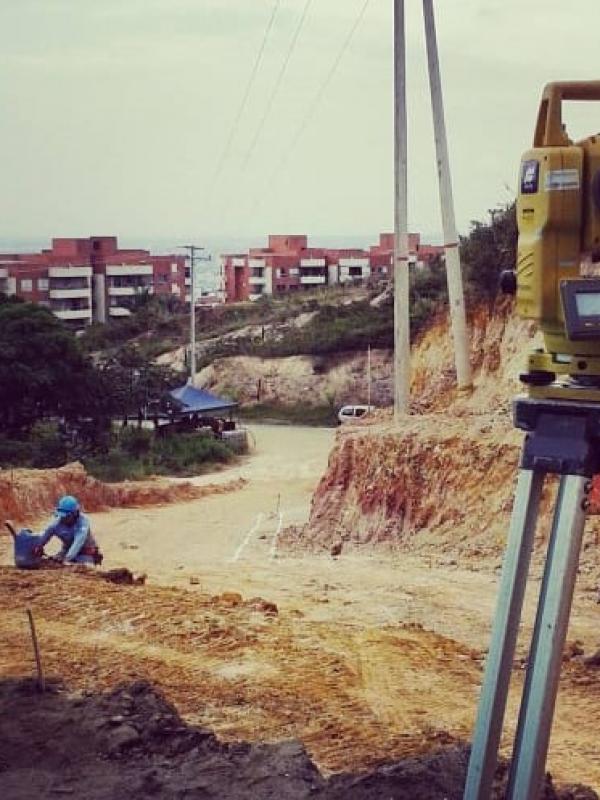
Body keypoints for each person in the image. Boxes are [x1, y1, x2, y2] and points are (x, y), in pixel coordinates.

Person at [35, 495, 102, 566]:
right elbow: (44, 536)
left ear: (75, 513)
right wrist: (38, 547)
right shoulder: (56, 523)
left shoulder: (83, 523)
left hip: (85, 554)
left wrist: (67, 559)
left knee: (83, 570)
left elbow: (78, 542)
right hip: (66, 551)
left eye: (67, 516)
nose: (63, 518)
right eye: (62, 516)